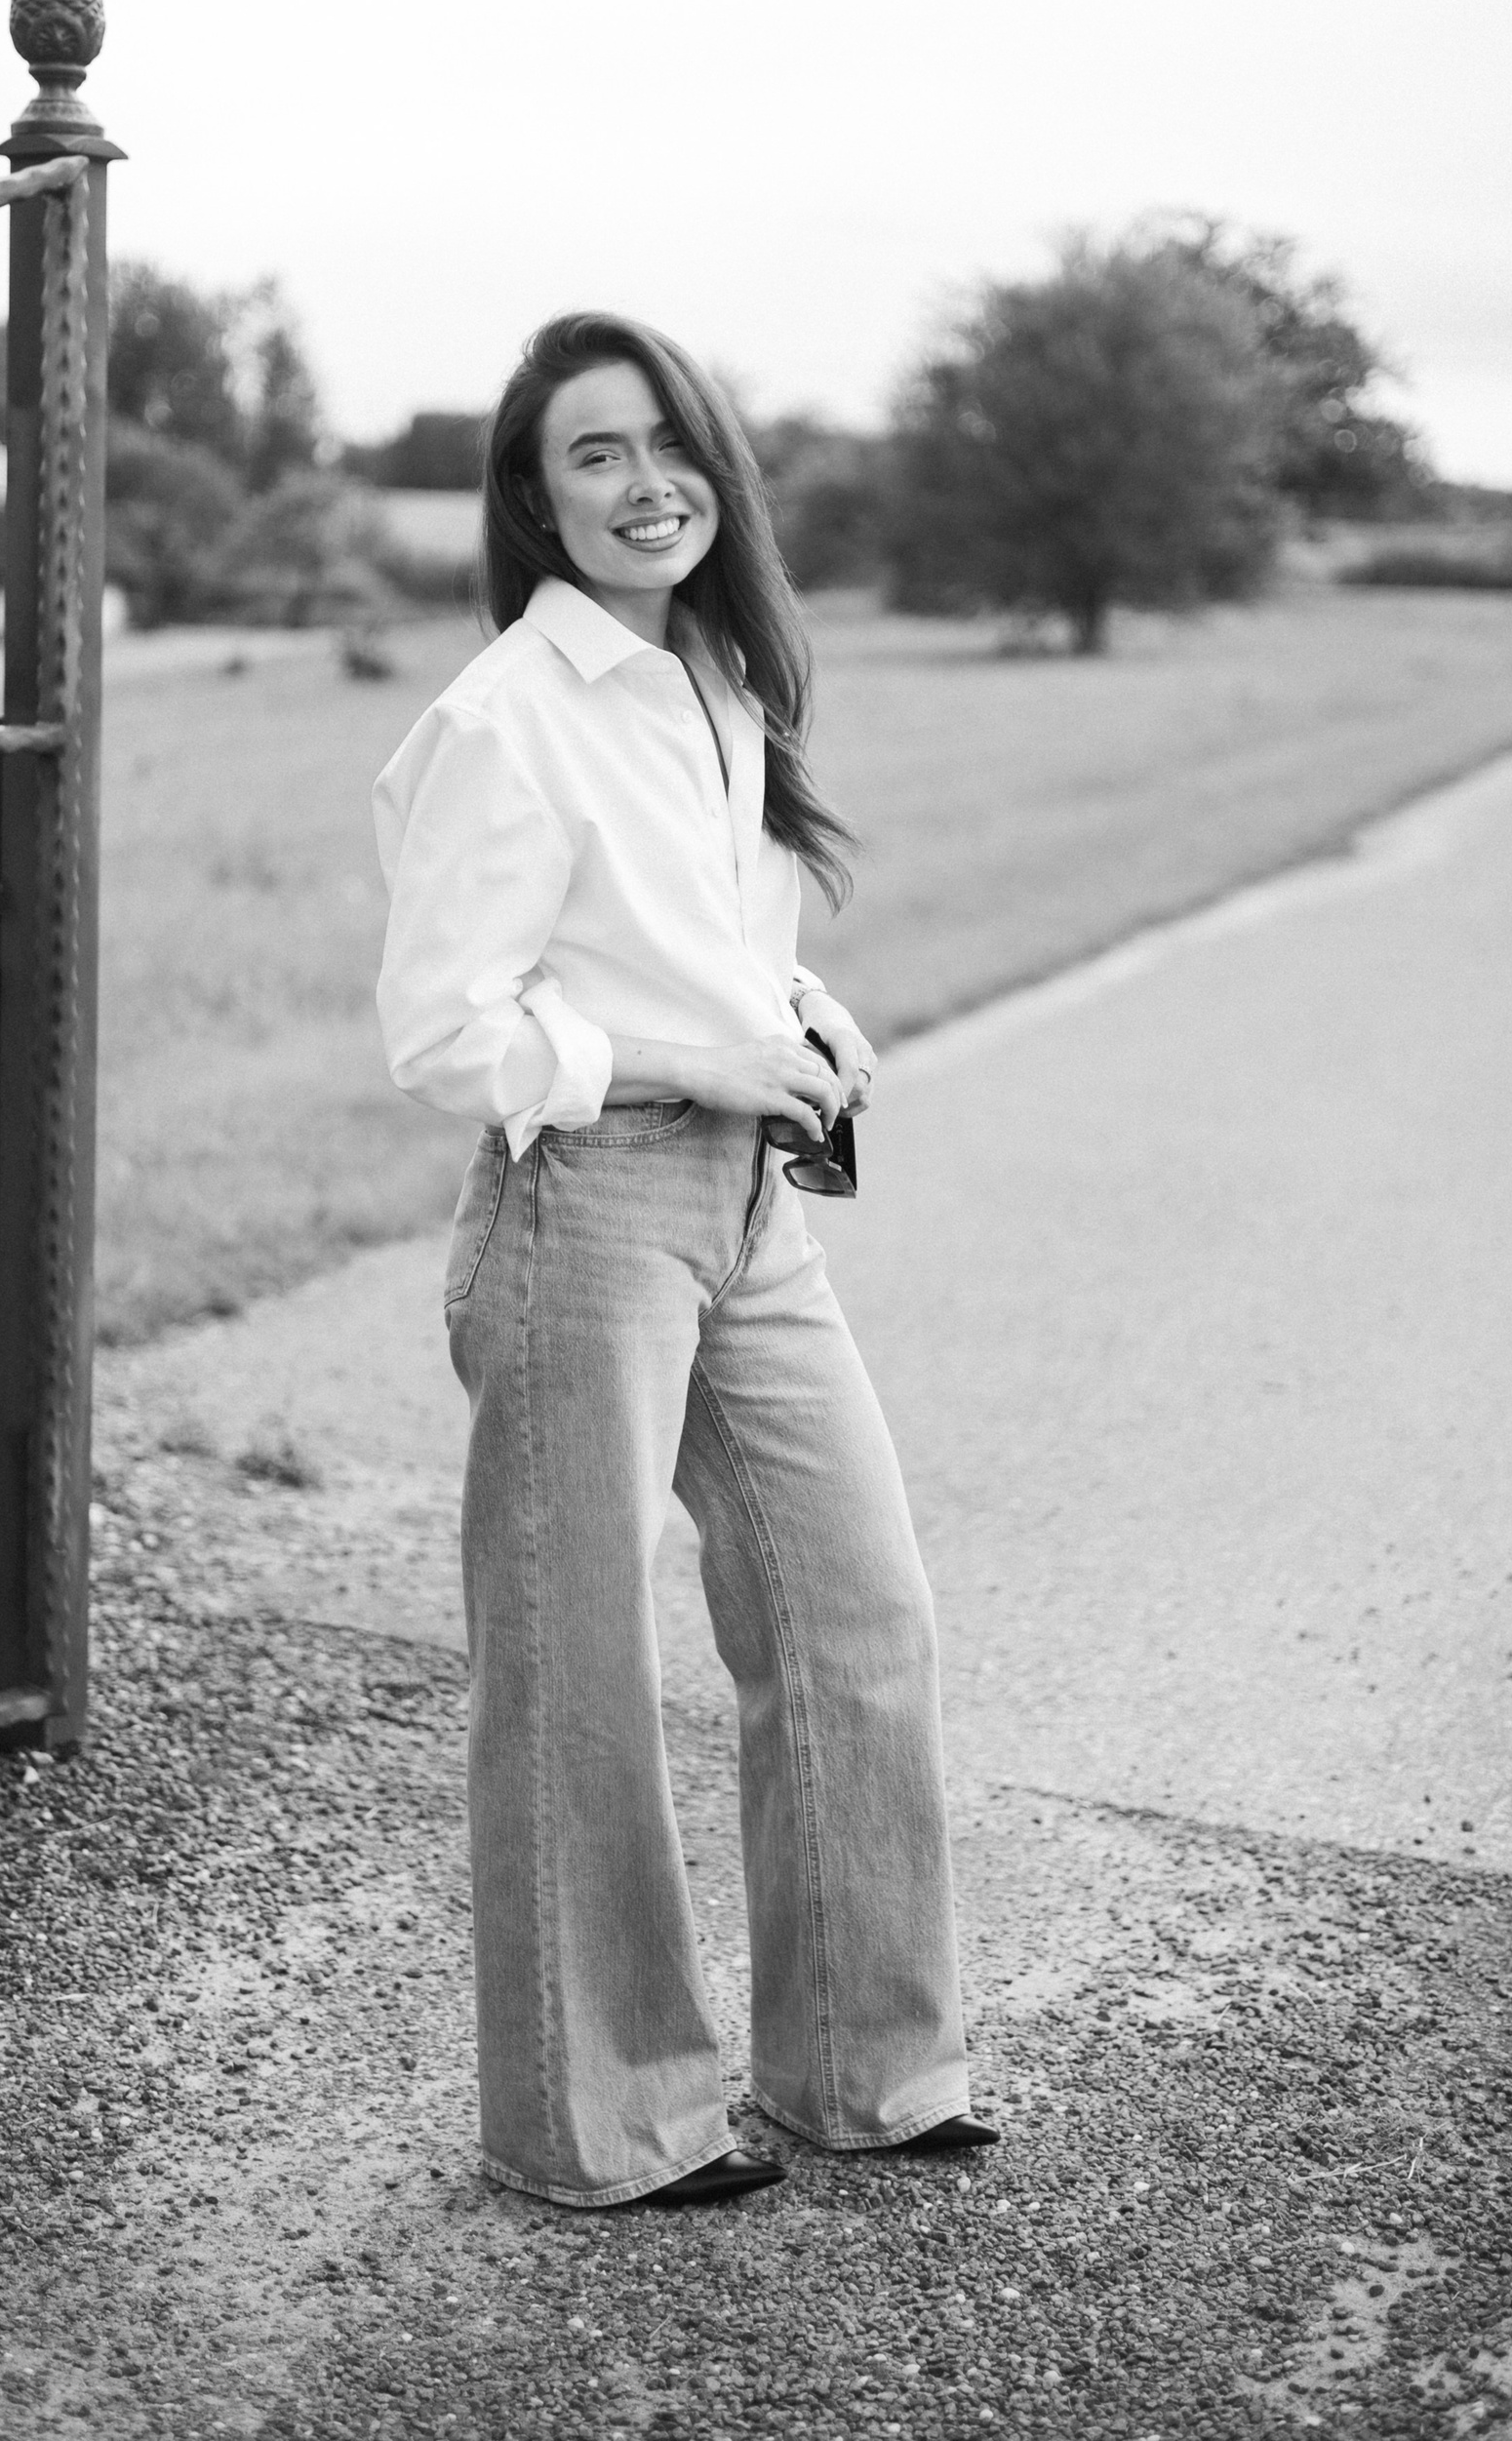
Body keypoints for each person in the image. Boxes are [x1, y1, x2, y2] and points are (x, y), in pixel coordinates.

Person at [373, 312, 995, 2211]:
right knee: (576, 1667)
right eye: (595, 453)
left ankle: (864, 2071)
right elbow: (447, 1032)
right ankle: (601, 2123)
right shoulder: (505, 720)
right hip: (585, 1214)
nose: (646, 483)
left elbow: (694, 942)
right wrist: (692, 1062)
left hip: (752, 1206)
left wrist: (800, 1016)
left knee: (857, 1612)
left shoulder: (714, 683)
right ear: (533, 497)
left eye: (668, 444)